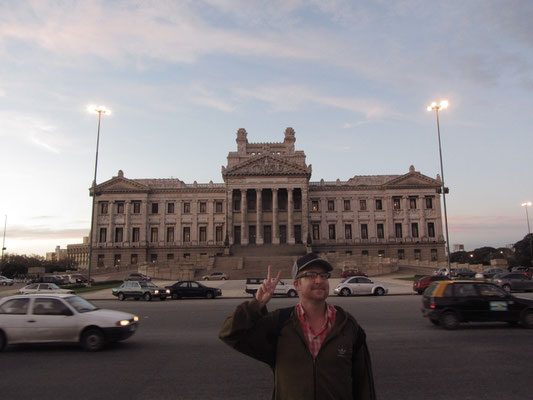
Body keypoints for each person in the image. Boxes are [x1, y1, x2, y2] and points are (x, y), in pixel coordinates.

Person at [219, 253, 376, 399]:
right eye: (311, 275)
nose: (319, 280)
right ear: (296, 285)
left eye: (323, 275)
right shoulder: (279, 324)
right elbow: (230, 334)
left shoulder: (348, 326)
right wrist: (257, 304)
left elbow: (364, 386)